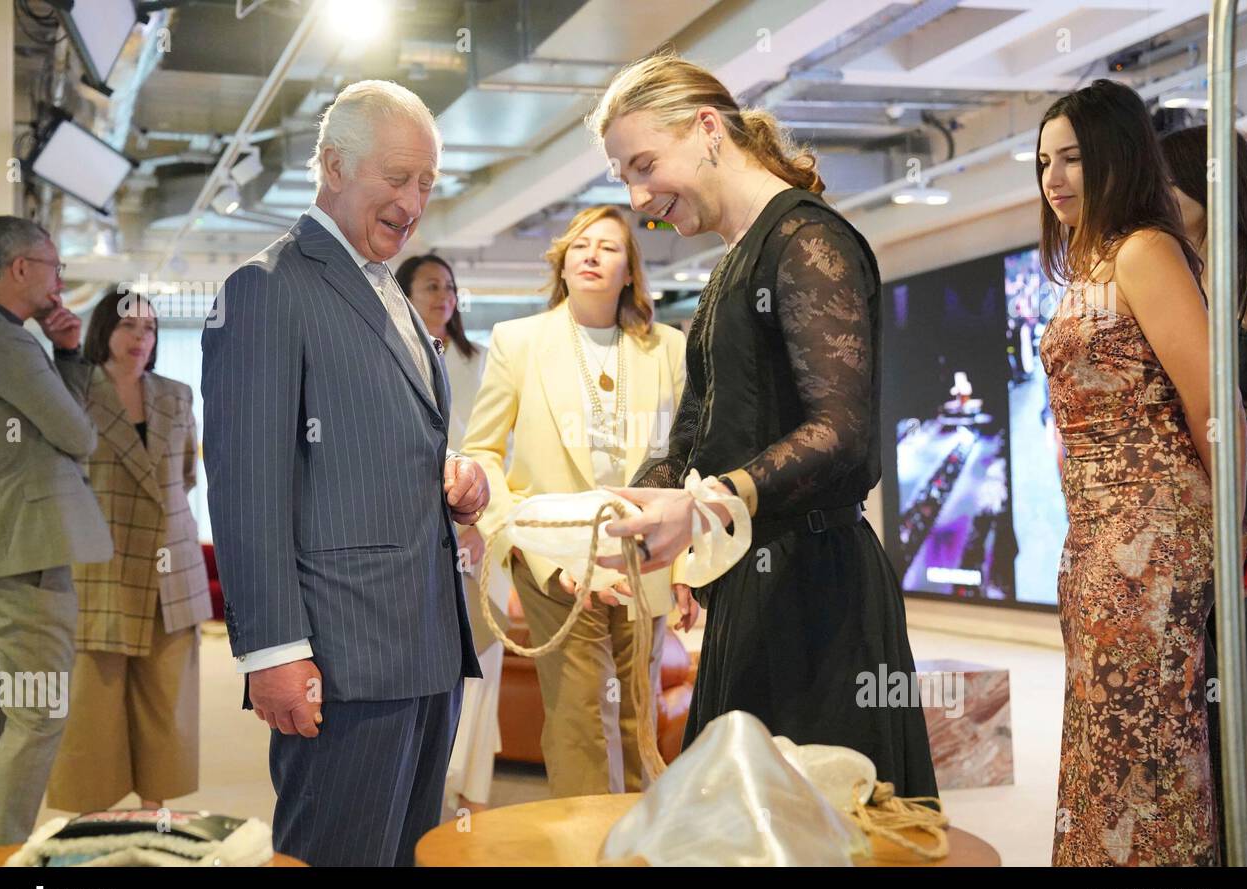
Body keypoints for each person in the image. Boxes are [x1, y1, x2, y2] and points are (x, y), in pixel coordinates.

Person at [587, 54, 939, 800]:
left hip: (820, 596)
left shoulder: (808, 242)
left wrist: (709, 505)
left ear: (708, 128)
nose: (640, 198)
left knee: (827, 828)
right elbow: (692, 438)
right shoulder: (729, 267)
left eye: (644, 165)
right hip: (750, 586)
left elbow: (841, 431)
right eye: (625, 177)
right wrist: (637, 511)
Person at [201, 79, 488, 867]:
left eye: (426, 181)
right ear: (332, 164)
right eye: (397, 177)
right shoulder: (267, 288)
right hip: (342, 657)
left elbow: (392, 442)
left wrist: (458, 477)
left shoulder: (390, 293)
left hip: (427, 647)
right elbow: (245, 484)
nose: (414, 199)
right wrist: (270, 652)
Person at [1036, 80, 1228, 866]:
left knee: (1144, 745)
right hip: (1096, 539)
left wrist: (1232, 526)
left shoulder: (1145, 250)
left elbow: (1207, 399)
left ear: (1116, 156)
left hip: (1151, 537)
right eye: (1045, 161)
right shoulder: (1090, 264)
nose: (1054, 178)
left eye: (1074, 158)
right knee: (1107, 737)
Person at [461, 204, 689, 797]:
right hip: (555, 559)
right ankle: (586, 850)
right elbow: (481, 453)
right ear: (561, 265)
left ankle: (641, 847)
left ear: (631, 271)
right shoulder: (519, 341)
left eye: (609, 247)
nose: (592, 254)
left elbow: (690, 462)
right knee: (582, 716)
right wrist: (526, 545)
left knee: (639, 717)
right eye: (581, 245)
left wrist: (689, 566)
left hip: (645, 554)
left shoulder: (667, 347)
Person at [0, 215, 111, 844]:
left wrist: (69, 356)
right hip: (24, 551)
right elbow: (78, 436)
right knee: (38, 712)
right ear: (21, 268)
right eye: (53, 267)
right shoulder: (6, 342)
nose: (60, 282)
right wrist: (68, 356)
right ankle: (0, 856)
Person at [44, 288, 211, 814]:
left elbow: (184, 477)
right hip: (100, 567)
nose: (141, 338)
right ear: (103, 332)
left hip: (171, 568)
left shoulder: (177, 394)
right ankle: (93, 814)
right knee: (95, 701)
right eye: (128, 327)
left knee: (164, 699)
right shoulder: (73, 392)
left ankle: (153, 810)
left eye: (150, 328)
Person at [1161, 124, 1247, 862]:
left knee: (1244, 702)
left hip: (1243, 518)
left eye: (1164, 187)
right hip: (1176, 526)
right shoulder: (1175, 280)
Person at [395, 253, 502, 814]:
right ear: (404, 292)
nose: (444, 296)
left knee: (483, 665)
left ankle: (472, 794)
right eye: (431, 285)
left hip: (478, 533)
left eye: (451, 287)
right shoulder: (391, 358)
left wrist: (478, 521)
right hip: (417, 535)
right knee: (428, 664)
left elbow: (495, 450)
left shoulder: (480, 361)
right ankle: (426, 783)